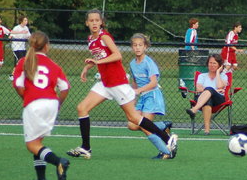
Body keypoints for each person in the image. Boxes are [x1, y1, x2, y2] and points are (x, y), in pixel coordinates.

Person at [66, 9, 177, 159]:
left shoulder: (104, 37)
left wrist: (97, 62)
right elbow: (101, 56)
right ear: (86, 23)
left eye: (97, 20)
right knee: (82, 108)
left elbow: (117, 55)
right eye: (91, 20)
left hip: (117, 82)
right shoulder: (91, 39)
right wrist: (88, 67)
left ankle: (168, 139)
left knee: (133, 119)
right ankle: (86, 148)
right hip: (105, 82)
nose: (94, 23)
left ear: (101, 22)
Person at [12, 31, 72, 180]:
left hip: (34, 104)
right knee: (38, 143)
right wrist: (58, 104)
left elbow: (17, 84)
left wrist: (26, 97)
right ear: (46, 46)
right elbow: (65, 87)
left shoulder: (24, 62)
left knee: (32, 145)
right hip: (51, 103)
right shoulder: (53, 65)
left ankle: (59, 162)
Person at [126, 33, 174, 160]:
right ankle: (163, 126)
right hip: (142, 98)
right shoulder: (132, 63)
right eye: (135, 45)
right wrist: (133, 99)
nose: (137, 48)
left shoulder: (149, 62)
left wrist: (139, 90)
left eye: (140, 45)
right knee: (132, 125)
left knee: (144, 126)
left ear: (145, 47)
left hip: (152, 96)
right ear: (132, 47)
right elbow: (135, 82)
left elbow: (154, 83)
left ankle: (166, 152)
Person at [185, 54, 229, 135]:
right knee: (208, 98)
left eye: (214, 63)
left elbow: (220, 86)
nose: (212, 65)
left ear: (219, 65)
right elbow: (199, 89)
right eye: (210, 63)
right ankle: (207, 130)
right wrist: (215, 90)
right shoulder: (202, 76)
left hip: (218, 100)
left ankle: (194, 109)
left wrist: (218, 73)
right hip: (202, 99)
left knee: (209, 89)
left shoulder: (223, 76)